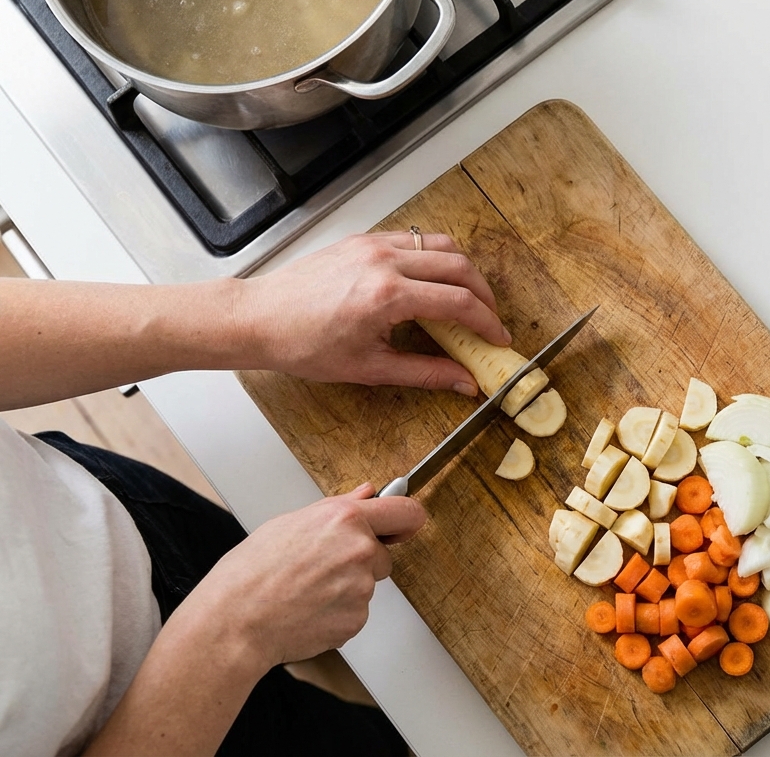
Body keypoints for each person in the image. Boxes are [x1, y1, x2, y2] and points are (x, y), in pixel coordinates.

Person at [0, 231, 508, 756]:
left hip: (103, 518)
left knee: (251, 559)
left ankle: (315, 647)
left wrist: (251, 311)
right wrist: (238, 631)